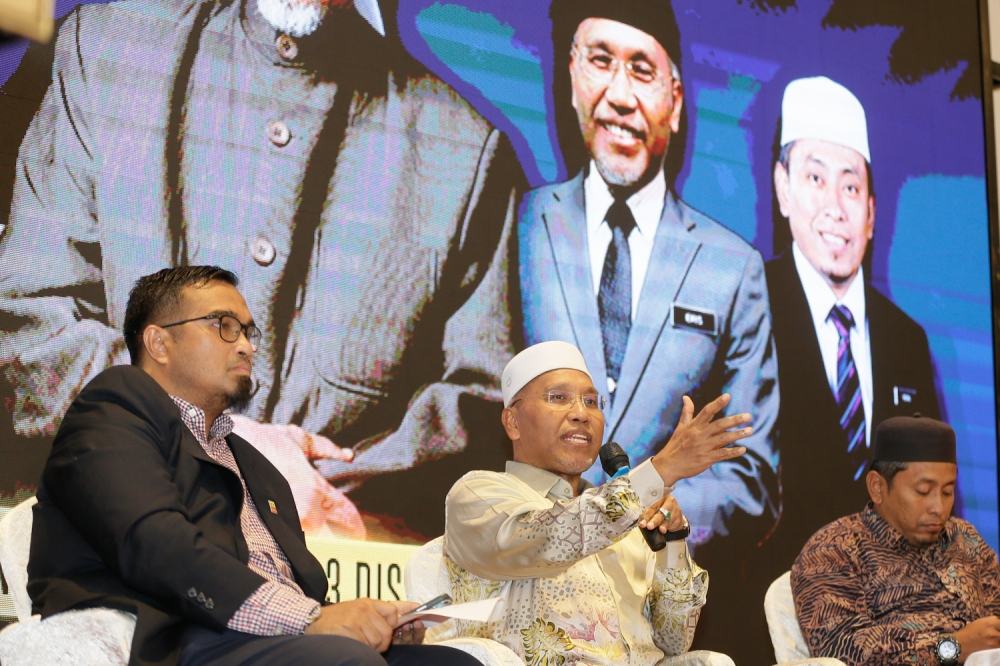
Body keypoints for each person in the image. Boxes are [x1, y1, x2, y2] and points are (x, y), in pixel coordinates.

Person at [0, 0, 522, 539]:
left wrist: (313, 497)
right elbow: (25, 322)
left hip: (333, 583)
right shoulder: (107, 48)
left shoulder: (465, 145)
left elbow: (481, 409)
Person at [27, 266, 484, 666]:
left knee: (451, 662)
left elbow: (302, 593)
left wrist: (366, 621)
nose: (245, 345)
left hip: (268, 639)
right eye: (224, 326)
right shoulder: (116, 406)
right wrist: (314, 621)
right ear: (158, 342)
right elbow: (154, 543)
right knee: (344, 659)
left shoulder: (257, 465)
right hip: (176, 635)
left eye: (247, 331)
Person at [518, 0, 778, 548]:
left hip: (662, 588)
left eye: (641, 70)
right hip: (526, 566)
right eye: (600, 61)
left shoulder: (732, 268)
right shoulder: (519, 224)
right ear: (570, 77)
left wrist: (647, 500)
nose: (619, 94)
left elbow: (752, 478)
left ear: (676, 101)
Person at [439, 340, 752, 665]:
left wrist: (673, 540)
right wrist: (661, 470)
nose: (581, 414)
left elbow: (673, 642)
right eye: (558, 398)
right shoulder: (480, 494)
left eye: (591, 401)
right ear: (512, 422)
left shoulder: (628, 515)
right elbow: (552, 537)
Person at [765, 76, 941, 569]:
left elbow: (933, 495)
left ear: (871, 211)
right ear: (783, 188)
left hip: (890, 606)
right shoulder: (750, 305)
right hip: (770, 607)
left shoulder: (905, 338)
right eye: (815, 179)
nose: (835, 209)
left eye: (850, 185)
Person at [791, 415, 1000, 665]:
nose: (939, 507)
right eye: (923, 492)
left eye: (947, 491)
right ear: (877, 487)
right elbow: (841, 649)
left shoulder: (965, 539)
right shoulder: (834, 549)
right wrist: (952, 647)